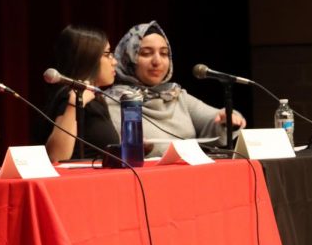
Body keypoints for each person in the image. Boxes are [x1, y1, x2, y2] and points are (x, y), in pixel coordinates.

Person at [105, 20, 246, 158]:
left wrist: (228, 119)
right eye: (146, 53)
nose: (157, 61)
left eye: (164, 53)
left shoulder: (175, 96)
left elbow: (214, 119)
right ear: (127, 58)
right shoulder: (108, 102)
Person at [32, 25, 119, 162]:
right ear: (88, 58)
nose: (115, 62)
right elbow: (56, 156)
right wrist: (73, 104)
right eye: (107, 54)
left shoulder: (95, 98)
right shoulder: (69, 97)